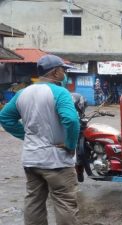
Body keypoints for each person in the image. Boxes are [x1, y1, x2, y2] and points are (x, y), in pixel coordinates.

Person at [0, 54, 80, 225]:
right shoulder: (60, 92)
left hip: (32, 159)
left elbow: (5, 118)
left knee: (34, 202)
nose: (64, 74)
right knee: (64, 203)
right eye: (63, 70)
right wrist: (70, 145)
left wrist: (28, 136)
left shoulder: (23, 93)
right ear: (56, 72)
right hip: (57, 160)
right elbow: (71, 120)